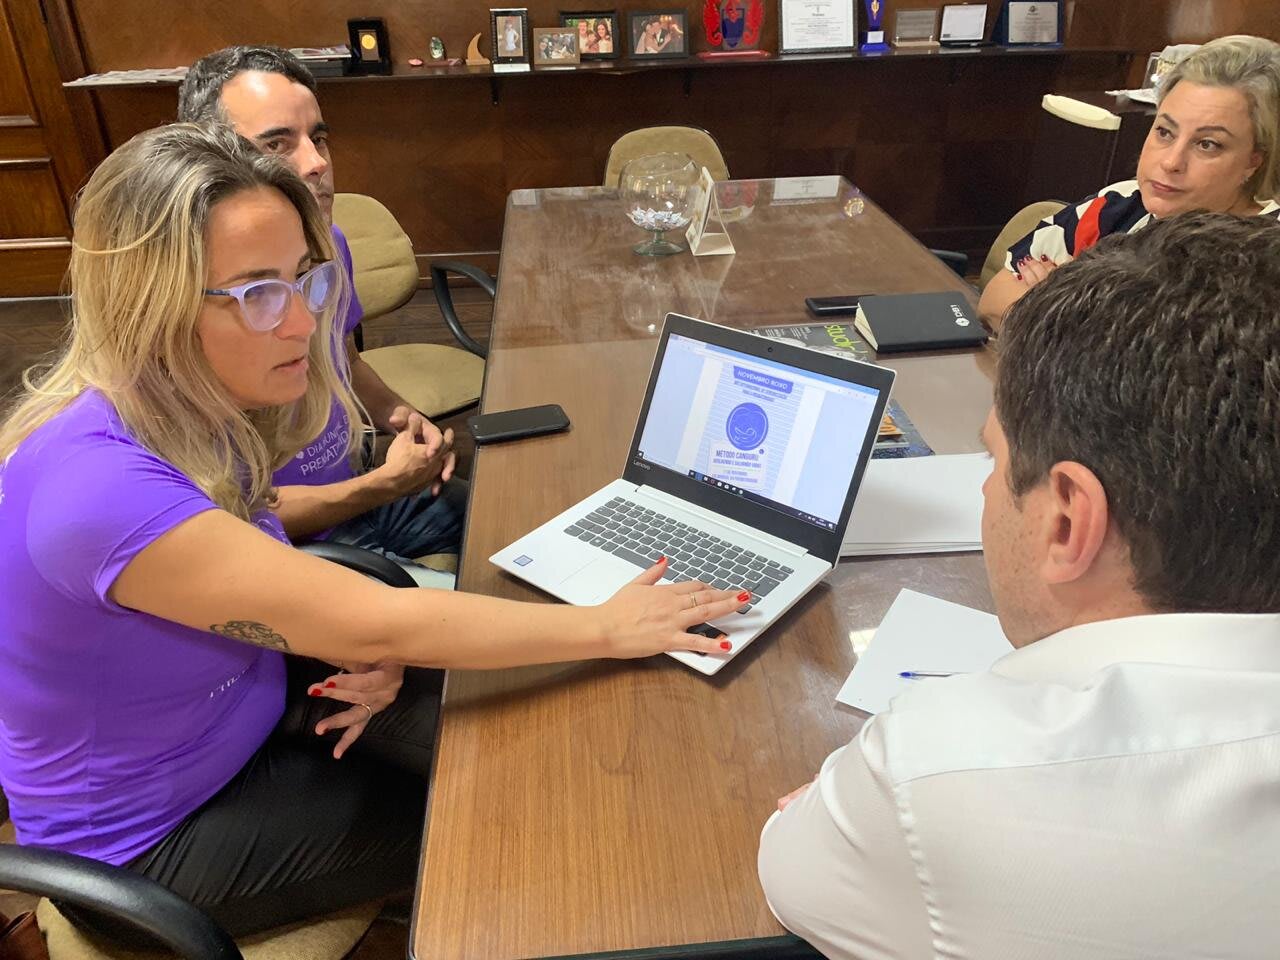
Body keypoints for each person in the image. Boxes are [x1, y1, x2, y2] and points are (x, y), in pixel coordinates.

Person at [0, 123, 748, 944]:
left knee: (520, 733)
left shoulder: (187, 410)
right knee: (503, 806)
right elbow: (370, 617)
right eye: (257, 294)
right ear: (151, 306)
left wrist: (350, 637)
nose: (303, 322)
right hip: (148, 847)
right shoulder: (98, 488)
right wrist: (606, 625)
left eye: (303, 280)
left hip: (248, 709)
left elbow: (271, 578)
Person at [758, 212, 1280, 958]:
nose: (986, 492)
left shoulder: (937, 772)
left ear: (1067, 521)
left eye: (994, 463)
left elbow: (789, 870)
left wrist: (852, 798)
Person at [177, 46, 463, 580]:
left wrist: (399, 414)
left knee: (520, 523)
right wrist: (380, 485)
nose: (316, 163)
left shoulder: (329, 243)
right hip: (292, 549)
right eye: (277, 143)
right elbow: (237, 513)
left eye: (319, 137)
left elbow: (343, 359)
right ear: (208, 157)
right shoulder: (195, 303)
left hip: (362, 493)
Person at [979, 34, 1280, 330]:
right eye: (1165, 132)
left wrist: (1059, 308)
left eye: (1207, 144)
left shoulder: (1266, 256)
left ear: (1255, 161)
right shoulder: (1119, 204)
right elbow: (995, 297)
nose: (1171, 162)